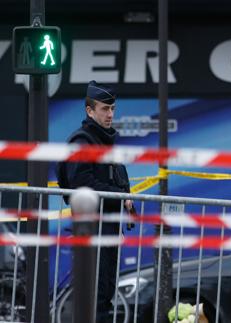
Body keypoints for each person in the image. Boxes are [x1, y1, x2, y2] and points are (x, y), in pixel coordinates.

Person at [64, 80, 133, 322]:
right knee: (96, 295)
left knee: (104, 294)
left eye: (112, 108)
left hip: (107, 226)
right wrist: (118, 198)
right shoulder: (83, 141)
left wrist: (123, 196)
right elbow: (81, 183)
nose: (110, 114)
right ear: (89, 111)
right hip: (92, 228)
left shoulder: (102, 141)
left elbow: (112, 178)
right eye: (104, 109)